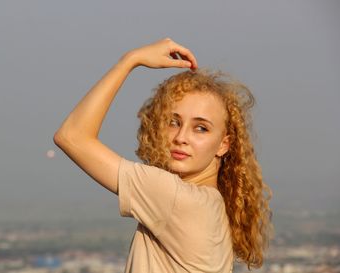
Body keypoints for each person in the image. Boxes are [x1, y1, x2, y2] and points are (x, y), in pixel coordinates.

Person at [53, 38, 272, 273]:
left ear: (223, 145)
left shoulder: (177, 198)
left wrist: (129, 60)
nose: (181, 137)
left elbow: (71, 136)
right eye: (173, 122)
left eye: (201, 128)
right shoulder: (212, 205)